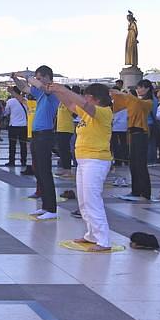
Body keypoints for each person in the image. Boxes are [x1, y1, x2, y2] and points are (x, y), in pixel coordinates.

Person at [48, 82, 114, 247]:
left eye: (86, 96)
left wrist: (64, 89)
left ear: (93, 98)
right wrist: (57, 91)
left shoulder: (104, 112)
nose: (84, 98)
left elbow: (83, 104)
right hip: (84, 160)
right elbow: (70, 104)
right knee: (84, 201)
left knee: (93, 200)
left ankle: (103, 240)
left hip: (96, 161)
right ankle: (91, 234)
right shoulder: (86, 113)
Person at [12, 67, 59, 219]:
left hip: (45, 135)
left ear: (47, 78)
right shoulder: (40, 93)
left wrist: (29, 76)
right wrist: (15, 79)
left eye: (40, 78)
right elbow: (25, 88)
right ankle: (45, 206)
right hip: (36, 135)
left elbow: (38, 86)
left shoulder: (52, 91)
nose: (37, 81)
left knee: (45, 171)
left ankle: (51, 209)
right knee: (38, 171)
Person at [111, 79, 154, 201]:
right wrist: (116, 95)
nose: (139, 90)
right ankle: (136, 191)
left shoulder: (148, 102)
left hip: (141, 134)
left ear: (147, 89)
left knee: (140, 164)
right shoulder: (136, 101)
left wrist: (123, 94)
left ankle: (145, 193)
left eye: (141, 87)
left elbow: (137, 102)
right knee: (133, 164)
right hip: (133, 133)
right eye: (138, 87)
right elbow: (122, 105)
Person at [4, 88, 28, 169]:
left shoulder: (10, 101)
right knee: (23, 145)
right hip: (24, 126)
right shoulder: (25, 100)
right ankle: (23, 161)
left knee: (12, 145)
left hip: (13, 125)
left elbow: (6, 112)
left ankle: (12, 161)